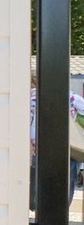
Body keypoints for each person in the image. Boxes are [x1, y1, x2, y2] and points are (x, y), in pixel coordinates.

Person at [29, 77, 84, 209]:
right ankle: (60, 211)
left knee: (38, 182)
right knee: (66, 184)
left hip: (38, 148)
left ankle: (38, 207)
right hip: (67, 147)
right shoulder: (71, 98)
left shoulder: (28, 99)